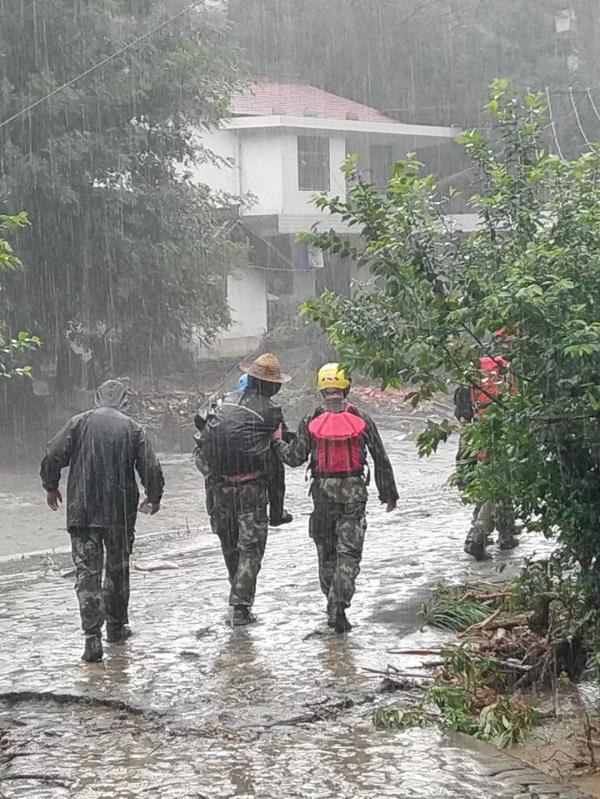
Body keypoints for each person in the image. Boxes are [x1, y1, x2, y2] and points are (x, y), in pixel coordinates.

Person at [40, 379, 164, 662]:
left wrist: (50, 485)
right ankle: (117, 628)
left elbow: (52, 455)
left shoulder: (79, 423)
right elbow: (151, 467)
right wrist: (153, 496)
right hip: (119, 513)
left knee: (87, 574)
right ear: (124, 401)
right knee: (118, 570)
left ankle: (92, 638)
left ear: (97, 399)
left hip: (82, 511)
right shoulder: (133, 428)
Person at [273, 363, 398, 633]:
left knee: (326, 553)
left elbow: (294, 458)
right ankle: (338, 605)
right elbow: (380, 456)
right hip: (354, 496)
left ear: (321, 390)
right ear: (346, 387)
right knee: (349, 555)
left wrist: (277, 442)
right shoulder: (362, 417)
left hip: (322, 498)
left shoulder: (310, 419)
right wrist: (389, 493)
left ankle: (331, 601)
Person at [194, 353, 290, 626]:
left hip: (219, 490)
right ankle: (240, 606)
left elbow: (201, 447)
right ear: (272, 385)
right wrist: (278, 508)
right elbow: (277, 459)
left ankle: (238, 596)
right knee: (251, 550)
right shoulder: (271, 413)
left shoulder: (220, 404)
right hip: (251, 490)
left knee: (230, 546)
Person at [456, 349, 519, 561]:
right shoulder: (507, 373)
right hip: (501, 433)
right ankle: (477, 537)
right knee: (498, 485)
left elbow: (462, 414)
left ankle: (504, 535)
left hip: (478, 434)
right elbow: (517, 404)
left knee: (491, 484)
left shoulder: (474, 374)